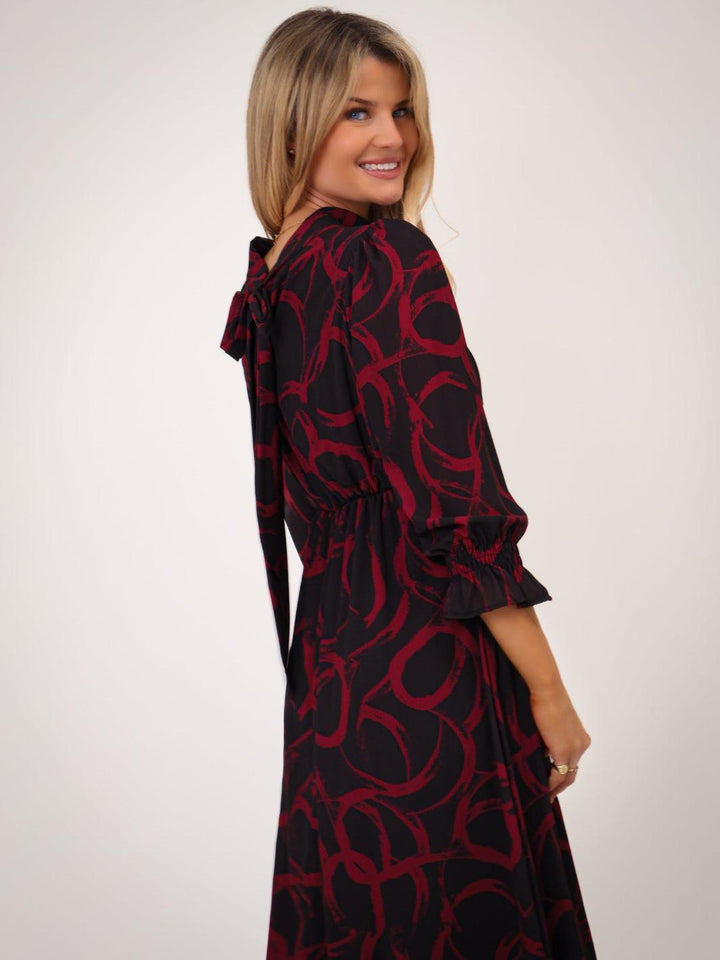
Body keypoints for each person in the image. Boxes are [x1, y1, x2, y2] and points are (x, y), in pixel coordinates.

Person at [220, 8, 596, 958]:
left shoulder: (274, 280)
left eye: (402, 110)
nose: (392, 136)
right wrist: (549, 691)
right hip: (427, 659)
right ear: (293, 128)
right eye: (357, 112)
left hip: (334, 669)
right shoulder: (385, 257)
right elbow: (455, 502)